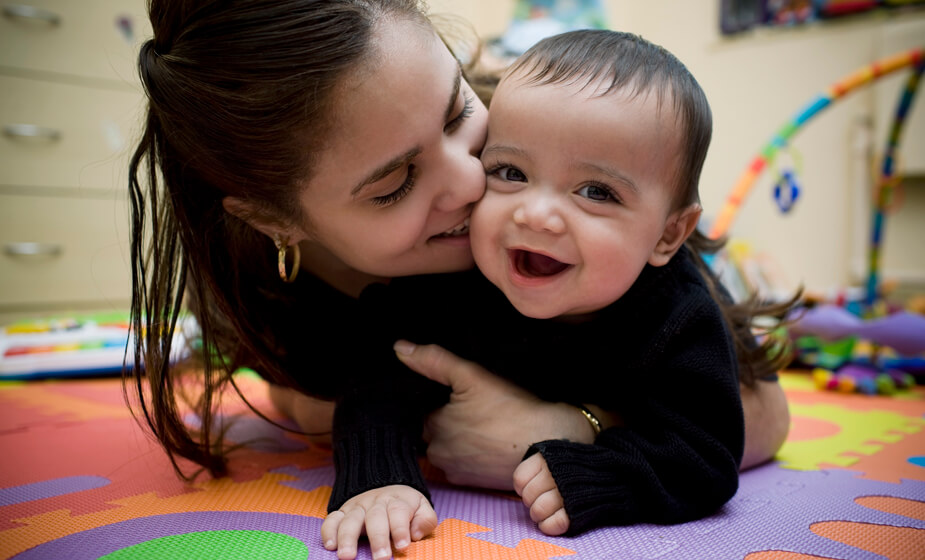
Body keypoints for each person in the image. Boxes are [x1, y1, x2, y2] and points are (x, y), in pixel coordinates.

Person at [125, 2, 791, 559]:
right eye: (393, 185)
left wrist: (568, 428)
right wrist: (364, 447)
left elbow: (753, 413)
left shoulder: (539, 124)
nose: (474, 181)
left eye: (454, 116)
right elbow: (318, 395)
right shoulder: (257, 282)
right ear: (275, 221)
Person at [322, 28, 801, 551]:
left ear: (668, 234)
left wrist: (594, 470)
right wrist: (379, 480)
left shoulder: (678, 317)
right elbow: (375, 380)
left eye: (596, 192)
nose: (537, 214)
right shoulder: (452, 283)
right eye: (510, 172)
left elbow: (705, 455)